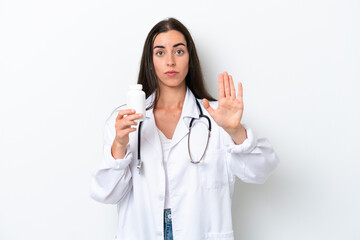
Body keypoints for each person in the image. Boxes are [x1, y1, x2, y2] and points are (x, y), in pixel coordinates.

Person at [90, 17, 279, 240]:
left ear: (190, 59)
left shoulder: (216, 117)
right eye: (160, 52)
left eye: (179, 51)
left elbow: (261, 171)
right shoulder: (125, 120)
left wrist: (235, 131)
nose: (170, 61)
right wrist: (119, 145)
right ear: (150, 61)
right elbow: (106, 194)